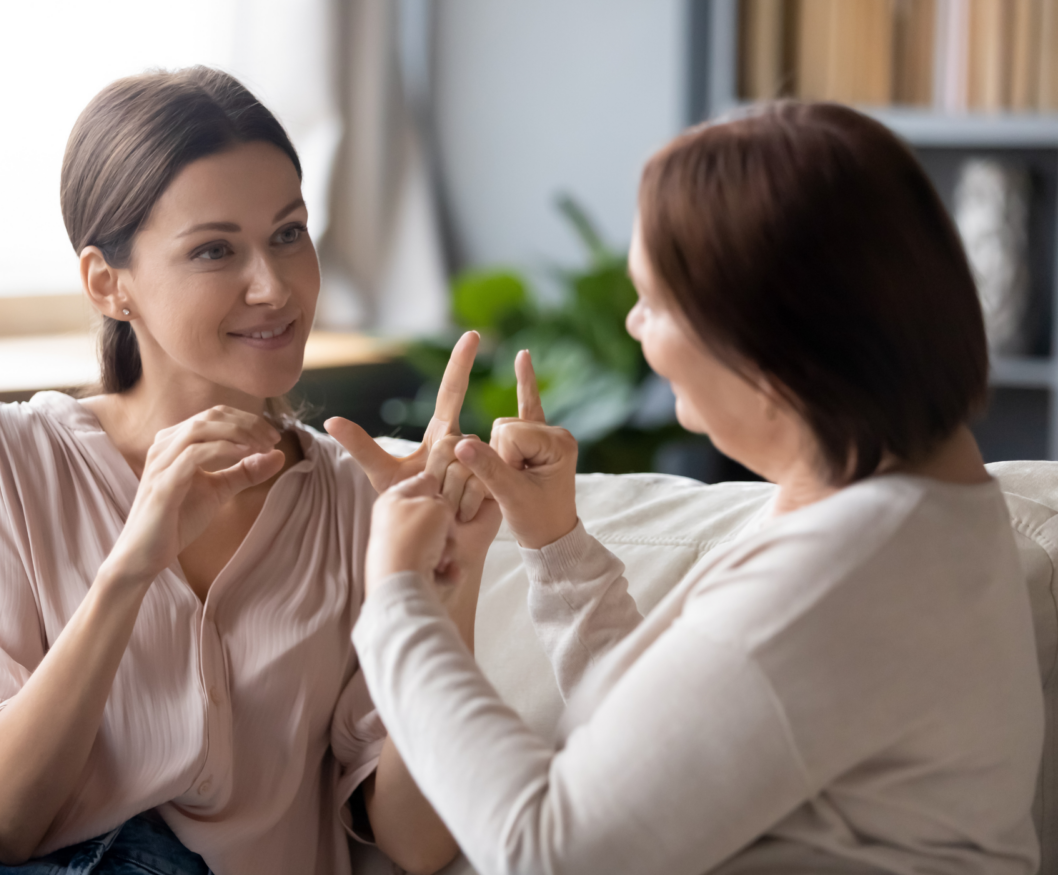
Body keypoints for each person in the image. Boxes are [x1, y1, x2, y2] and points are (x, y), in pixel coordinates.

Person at [350, 101, 1046, 875]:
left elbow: (551, 851)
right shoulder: (906, 496)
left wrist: (396, 601)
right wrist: (556, 544)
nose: (634, 328)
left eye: (654, 303)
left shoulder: (852, 571)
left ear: (767, 349)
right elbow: (656, 740)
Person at [0, 67, 487, 875]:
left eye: (289, 233)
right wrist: (134, 561)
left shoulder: (353, 498)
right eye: (213, 250)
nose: (273, 286)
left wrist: (445, 593)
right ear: (107, 283)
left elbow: (417, 840)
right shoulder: (4, 454)